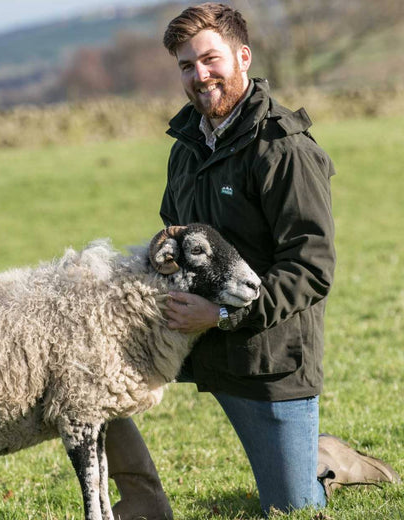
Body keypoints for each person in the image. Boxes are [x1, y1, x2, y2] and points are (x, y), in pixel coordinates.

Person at [105, 3, 400, 519]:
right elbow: (178, 237)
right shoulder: (187, 146)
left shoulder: (285, 149)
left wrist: (219, 314)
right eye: (185, 65)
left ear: (242, 57)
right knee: (94, 378)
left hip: (271, 357)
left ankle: (325, 457)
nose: (200, 75)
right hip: (200, 346)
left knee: (291, 508)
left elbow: (311, 269)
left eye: (210, 59)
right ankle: (144, 503)